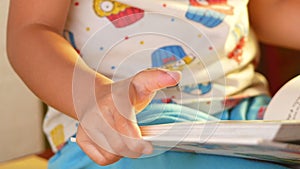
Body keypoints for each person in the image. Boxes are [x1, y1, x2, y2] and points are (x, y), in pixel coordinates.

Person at [6, 0, 299, 169]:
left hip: (247, 116)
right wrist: (96, 97)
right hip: (123, 128)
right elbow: (31, 30)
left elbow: (263, 10)